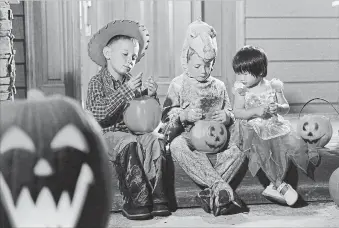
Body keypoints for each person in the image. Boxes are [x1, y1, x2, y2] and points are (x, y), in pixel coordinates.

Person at [85, 20, 170, 220]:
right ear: (107, 53)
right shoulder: (97, 82)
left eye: (133, 57)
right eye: (125, 55)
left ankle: (158, 197)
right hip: (107, 137)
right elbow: (98, 112)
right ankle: (137, 198)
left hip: (132, 134)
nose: (130, 61)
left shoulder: (131, 81)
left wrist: (151, 95)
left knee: (154, 139)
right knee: (128, 141)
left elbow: (146, 117)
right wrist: (127, 90)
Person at [161, 19, 248, 216]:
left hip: (219, 139)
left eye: (208, 65)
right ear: (186, 61)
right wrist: (184, 115)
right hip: (188, 138)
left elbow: (232, 113)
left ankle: (213, 193)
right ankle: (221, 188)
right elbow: (166, 119)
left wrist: (227, 116)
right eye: (198, 65)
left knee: (242, 148)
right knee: (175, 146)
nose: (204, 70)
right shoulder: (178, 84)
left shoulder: (218, 86)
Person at [231, 45, 310, 206]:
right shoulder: (242, 90)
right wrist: (255, 111)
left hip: (273, 125)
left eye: (245, 73)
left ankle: (275, 185)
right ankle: (279, 185)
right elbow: (237, 112)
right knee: (263, 148)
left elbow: (285, 107)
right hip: (252, 126)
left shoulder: (272, 86)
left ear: (260, 72)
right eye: (238, 72)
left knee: (288, 146)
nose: (241, 77)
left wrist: (278, 108)